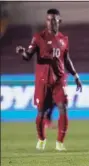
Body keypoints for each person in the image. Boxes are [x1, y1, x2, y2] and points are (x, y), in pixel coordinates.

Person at [16, 9, 82, 151]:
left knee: (63, 109)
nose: (50, 22)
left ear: (59, 21)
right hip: (43, 82)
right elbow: (28, 56)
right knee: (41, 113)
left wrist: (76, 76)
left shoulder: (64, 39)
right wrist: (23, 53)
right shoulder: (38, 37)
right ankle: (41, 139)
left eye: (53, 19)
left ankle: (60, 142)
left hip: (59, 81)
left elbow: (66, 59)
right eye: (48, 19)